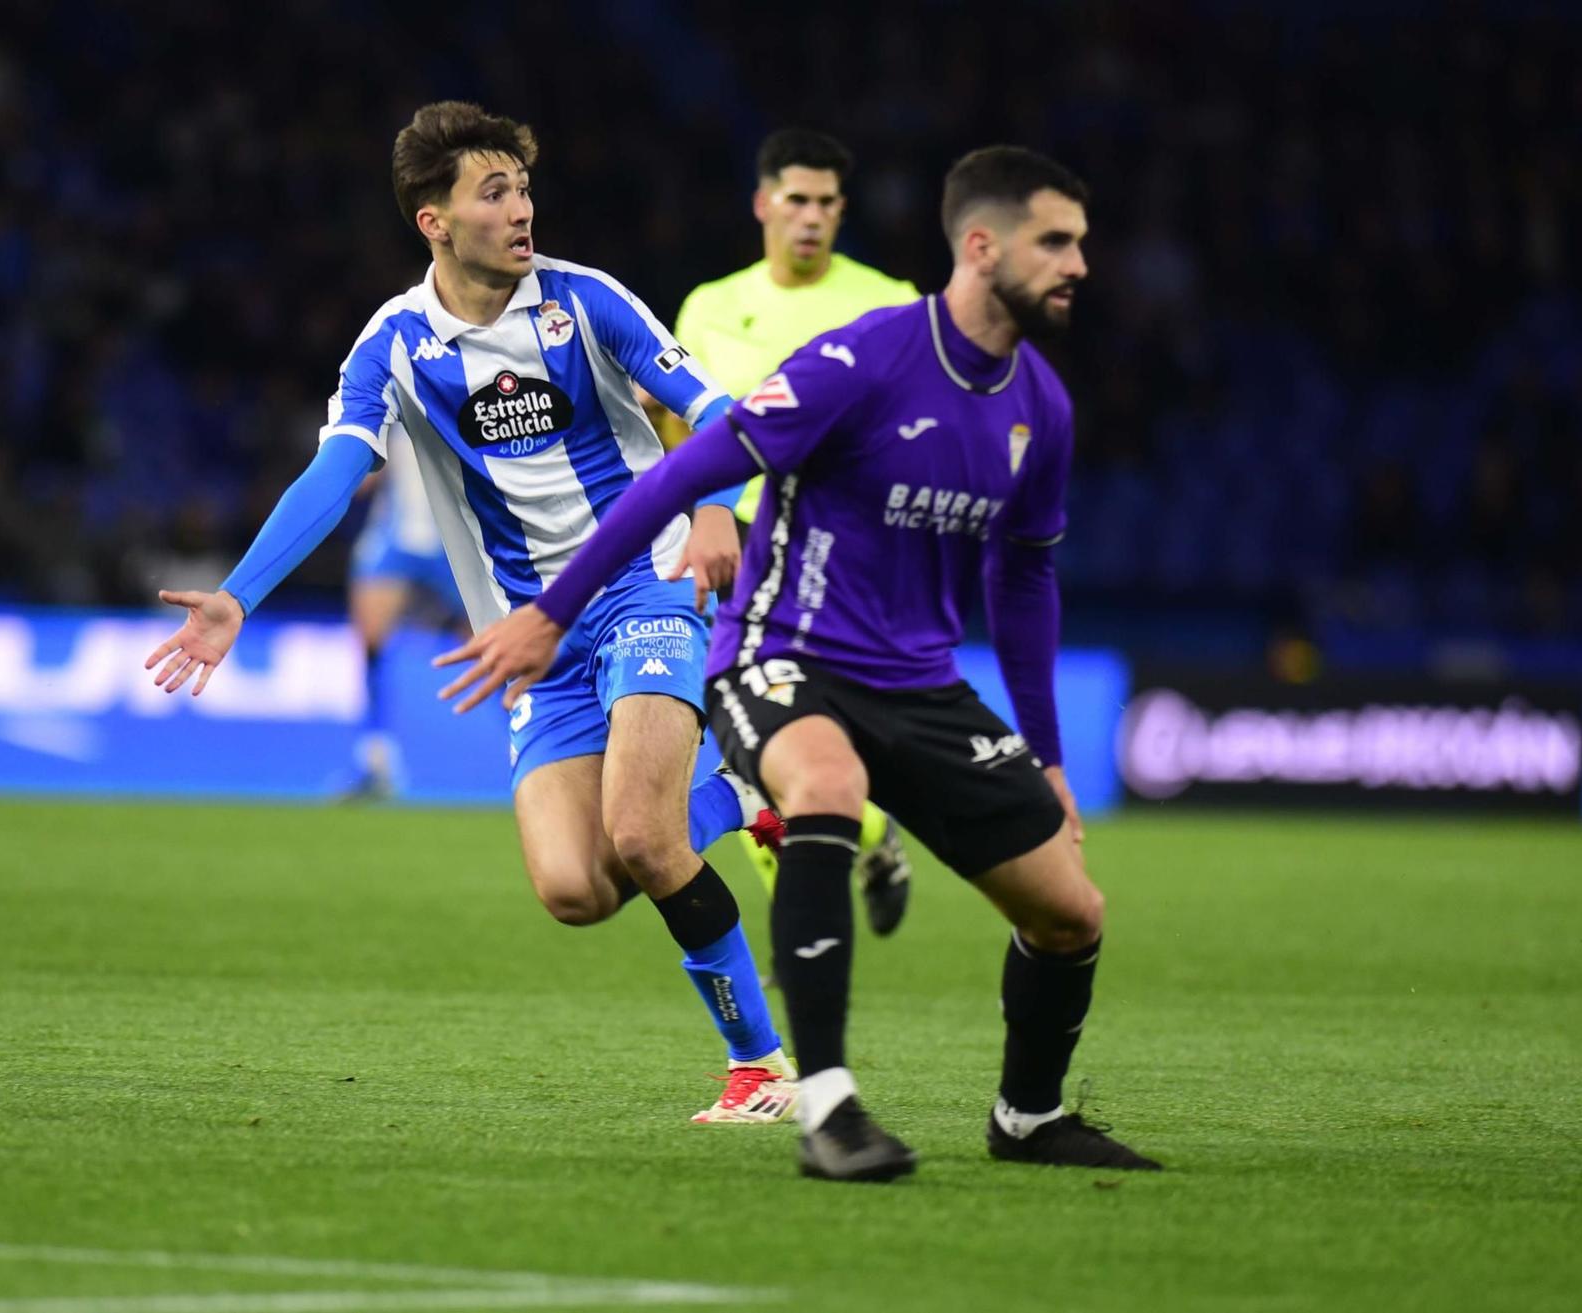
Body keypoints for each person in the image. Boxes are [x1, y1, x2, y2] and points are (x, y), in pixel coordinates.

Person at [438, 145, 1161, 1180]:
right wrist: (551, 611)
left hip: (919, 682)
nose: (1077, 263)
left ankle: (1027, 1114)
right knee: (820, 786)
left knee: (1069, 908)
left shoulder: (1038, 406)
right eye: (1055, 240)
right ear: (980, 244)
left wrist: (1044, 756)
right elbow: (679, 473)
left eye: (1080, 243)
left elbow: (1023, 580)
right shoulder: (861, 359)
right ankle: (824, 1103)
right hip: (784, 653)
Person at [145, 102, 798, 1124]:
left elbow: (715, 414)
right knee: (575, 888)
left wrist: (712, 508)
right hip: (527, 635)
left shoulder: (585, 304)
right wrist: (237, 594)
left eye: (523, 188)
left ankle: (760, 1068)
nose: (520, 209)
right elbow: (336, 467)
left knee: (640, 833)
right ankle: (748, 795)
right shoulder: (397, 342)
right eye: (493, 192)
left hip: (645, 583)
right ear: (432, 220)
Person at [668, 127, 918, 935]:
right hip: (731, 548)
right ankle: (814, 913)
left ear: (842, 211)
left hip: (836, 553)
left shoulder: (891, 303)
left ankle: (859, 846)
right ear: (763, 203)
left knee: (785, 742)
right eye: (796, 199)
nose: (810, 216)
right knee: (749, 745)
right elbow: (681, 434)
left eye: (826, 203)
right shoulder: (709, 307)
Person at [342, 431, 463, 798]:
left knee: (495, 647)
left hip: (453, 541)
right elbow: (359, 477)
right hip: (395, 539)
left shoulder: (467, 390)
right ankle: (375, 760)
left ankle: (536, 747)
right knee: (371, 644)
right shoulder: (387, 397)